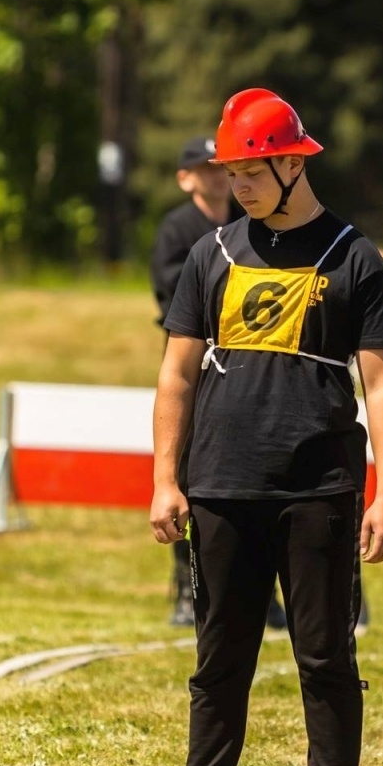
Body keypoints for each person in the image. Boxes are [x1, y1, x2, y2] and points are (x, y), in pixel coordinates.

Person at [123, 88, 383, 766]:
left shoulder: (354, 257)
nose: (236, 185)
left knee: (325, 657)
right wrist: (165, 479)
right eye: (231, 172)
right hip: (220, 484)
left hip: (320, 488)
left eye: (250, 171)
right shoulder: (209, 254)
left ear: (292, 164)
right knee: (219, 660)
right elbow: (176, 376)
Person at [148, 137, 287, 631]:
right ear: (185, 179)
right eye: (204, 170)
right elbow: (175, 295)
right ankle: (190, 589)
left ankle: (265, 591)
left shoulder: (253, 224)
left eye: (219, 169)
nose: (215, 177)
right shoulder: (178, 229)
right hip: (197, 360)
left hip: (249, 359)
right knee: (192, 474)